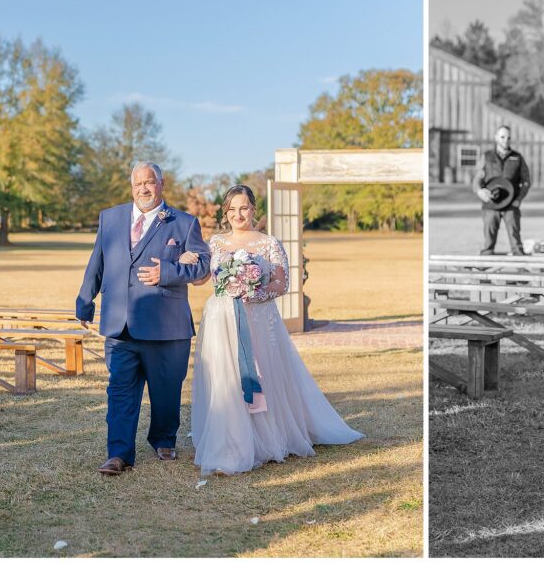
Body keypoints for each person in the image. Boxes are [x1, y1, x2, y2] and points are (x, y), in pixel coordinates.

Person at [184, 184, 363, 476]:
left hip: (259, 319)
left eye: (244, 208)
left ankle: (264, 438)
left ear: (253, 209)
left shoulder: (269, 244)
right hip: (221, 320)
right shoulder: (214, 243)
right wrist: (188, 261)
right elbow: (201, 280)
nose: (238, 214)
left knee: (262, 374)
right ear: (225, 212)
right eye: (232, 209)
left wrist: (254, 292)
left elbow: (282, 284)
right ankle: (229, 440)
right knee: (226, 376)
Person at [75, 161, 211, 476]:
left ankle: (164, 438)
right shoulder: (110, 218)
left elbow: (203, 266)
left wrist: (169, 272)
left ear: (161, 184)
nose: (143, 189)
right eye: (137, 184)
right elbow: (98, 261)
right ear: (131, 186)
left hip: (166, 325)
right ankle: (118, 453)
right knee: (120, 389)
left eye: (149, 182)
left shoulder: (184, 223)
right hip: (119, 323)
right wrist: (85, 301)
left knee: (165, 391)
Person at [472, 125, 531, 255]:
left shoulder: (518, 158)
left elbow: (526, 182)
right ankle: (483, 273)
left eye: (508, 137)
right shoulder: (486, 157)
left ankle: (522, 271)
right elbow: (476, 179)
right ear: (496, 138)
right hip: (490, 205)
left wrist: (519, 200)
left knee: (516, 245)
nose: (506, 140)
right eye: (503, 137)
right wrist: (480, 191)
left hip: (511, 205)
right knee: (488, 245)